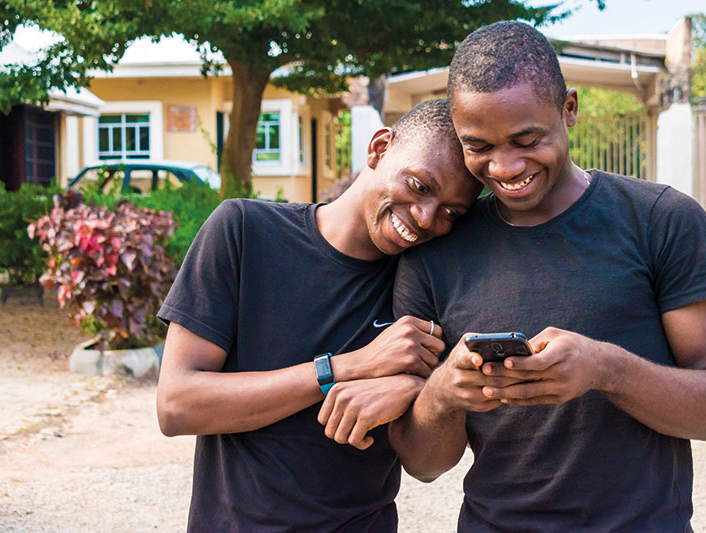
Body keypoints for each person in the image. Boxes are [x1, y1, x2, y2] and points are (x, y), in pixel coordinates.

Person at [390, 21, 706, 532]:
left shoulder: (661, 220)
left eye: (526, 139)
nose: (505, 167)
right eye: (480, 146)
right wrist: (445, 391)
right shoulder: (434, 252)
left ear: (570, 109)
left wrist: (604, 368)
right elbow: (423, 465)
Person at [155, 98, 481, 531]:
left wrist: (419, 389)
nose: (425, 218)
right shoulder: (244, 231)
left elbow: (426, 466)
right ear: (379, 149)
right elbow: (177, 406)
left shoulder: (428, 286)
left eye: (450, 212)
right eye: (420, 186)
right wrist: (344, 369)